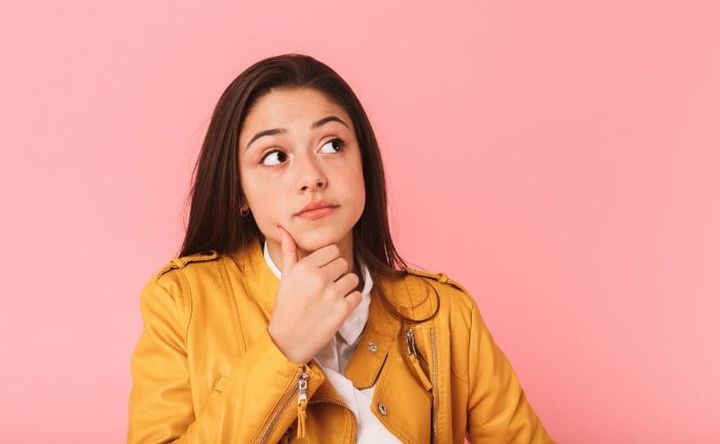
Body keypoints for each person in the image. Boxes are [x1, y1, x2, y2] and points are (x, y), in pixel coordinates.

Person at [127, 53, 555, 443]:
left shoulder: (444, 314)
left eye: (332, 145)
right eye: (275, 156)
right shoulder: (182, 303)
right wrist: (282, 350)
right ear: (238, 191)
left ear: (363, 163)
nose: (311, 176)